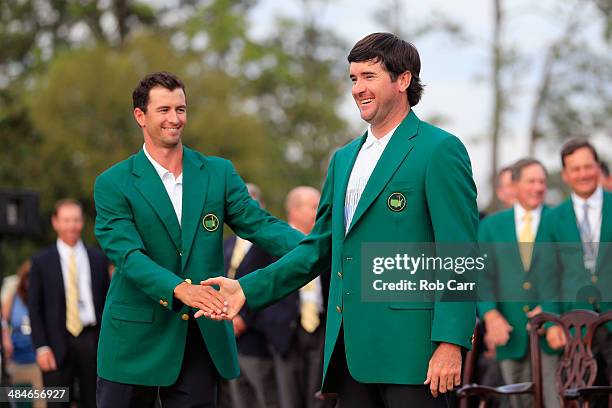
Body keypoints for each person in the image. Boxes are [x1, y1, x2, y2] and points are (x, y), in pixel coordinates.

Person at [201, 33, 478, 407]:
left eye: (369, 76)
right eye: (353, 78)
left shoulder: (439, 149)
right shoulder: (343, 159)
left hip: (415, 356)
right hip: (348, 355)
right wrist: (247, 290)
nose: (358, 89)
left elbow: (459, 253)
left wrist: (451, 342)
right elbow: (318, 249)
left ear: (403, 80)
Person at [93, 71, 303, 407]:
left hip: (199, 338)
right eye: (163, 110)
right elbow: (127, 256)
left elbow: (259, 224)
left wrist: (318, 249)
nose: (174, 119)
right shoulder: (113, 183)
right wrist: (181, 289)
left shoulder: (218, 173)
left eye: (181, 109)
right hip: (132, 341)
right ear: (140, 116)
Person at [478, 158, 559, 408]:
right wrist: (490, 316)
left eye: (542, 182)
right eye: (531, 181)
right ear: (513, 186)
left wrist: (553, 311)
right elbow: (480, 275)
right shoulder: (491, 226)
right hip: (508, 334)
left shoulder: (559, 220)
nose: (538, 187)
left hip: (552, 335)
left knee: (554, 401)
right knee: (516, 403)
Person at [535, 139, 611, 400]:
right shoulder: (552, 219)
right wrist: (553, 320)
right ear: (566, 175)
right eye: (575, 169)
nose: (583, 174)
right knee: (584, 399)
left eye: (588, 166)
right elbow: (546, 274)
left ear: (598, 168)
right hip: (574, 329)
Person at [28, 199, 110, 408]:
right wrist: (41, 347)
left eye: (75, 220)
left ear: (82, 222)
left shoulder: (99, 259)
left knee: (96, 401)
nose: (71, 225)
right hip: (55, 343)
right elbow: (34, 308)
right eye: (66, 220)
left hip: (93, 340)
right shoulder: (40, 261)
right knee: (57, 402)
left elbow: (108, 302)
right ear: (56, 222)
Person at [261, 186, 332, 408]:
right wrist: (272, 324)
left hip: (320, 330)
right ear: (294, 211)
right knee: (289, 400)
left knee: (319, 399)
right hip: (285, 334)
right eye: (313, 207)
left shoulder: (326, 242)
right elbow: (250, 281)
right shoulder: (271, 242)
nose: (319, 212)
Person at [222, 183, 278, 408]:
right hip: (229, 339)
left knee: (265, 398)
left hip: (257, 339)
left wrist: (244, 319)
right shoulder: (225, 245)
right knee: (237, 400)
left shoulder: (269, 245)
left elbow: (272, 286)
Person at [2, 261, 45, 408]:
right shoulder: (13, 297)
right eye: (28, 277)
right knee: (18, 401)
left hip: (38, 362)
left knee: (43, 401)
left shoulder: (44, 297)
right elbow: (3, 320)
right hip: (16, 360)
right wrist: (5, 338)